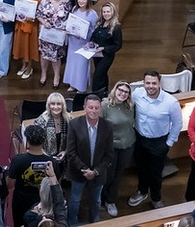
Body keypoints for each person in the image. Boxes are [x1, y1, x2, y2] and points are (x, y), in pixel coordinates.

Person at [129, 70, 183, 209]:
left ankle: (156, 197)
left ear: (160, 83)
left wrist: (168, 143)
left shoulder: (171, 102)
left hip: (159, 142)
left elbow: (177, 124)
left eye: (154, 83)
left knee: (156, 172)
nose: (150, 86)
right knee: (141, 168)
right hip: (140, 138)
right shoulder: (137, 94)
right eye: (147, 83)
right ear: (143, 83)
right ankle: (142, 191)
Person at [66, 94, 114, 225]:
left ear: (100, 109)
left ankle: (95, 221)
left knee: (96, 200)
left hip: (98, 173)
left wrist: (96, 172)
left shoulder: (108, 126)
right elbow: (71, 152)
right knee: (75, 200)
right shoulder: (74, 124)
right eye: (90, 107)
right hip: (78, 171)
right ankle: (72, 222)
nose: (93, 111)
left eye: (96, 108)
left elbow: (109, 154)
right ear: (84, 108)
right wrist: (85, 170)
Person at [7, 125, 57, 227]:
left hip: (21, 203)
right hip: (45, 205)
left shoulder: (18, 160)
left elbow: (9, 184)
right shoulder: (52, 162)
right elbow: (56, 186)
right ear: (44, 141)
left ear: (27, 141)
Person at [100, 81, 135, 218]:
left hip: (128, 145)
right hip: (111, 148)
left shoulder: (130, 106)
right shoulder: (105, 105)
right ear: (115, 90)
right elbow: (100, 128)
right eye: (120, 90)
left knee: (118, 175)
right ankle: (102, 198)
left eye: (126, 92)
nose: (123, 93)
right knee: (108, 175)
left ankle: (111, 200)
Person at [36, 0, 71, 89]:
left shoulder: (66, 1)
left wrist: (65, 27)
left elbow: (70, 17)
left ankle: (56, 76)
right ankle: (44, 74)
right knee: (44, 55)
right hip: (46, 33)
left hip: (59, 35)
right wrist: (44, 22)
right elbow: (38, 14)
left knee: (57, 56)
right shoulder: (44, 0)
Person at [62, 0, 98, 93]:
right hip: (73, 42)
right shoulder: (74, 9)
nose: (81, 1)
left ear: (88, 0)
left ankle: (81, 87)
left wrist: (84, 34)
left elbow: (94, 30)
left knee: (81, 65)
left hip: (83, 44)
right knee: (72, 63)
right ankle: (72, 84)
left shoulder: (92, 14)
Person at [90, 2, 123, 93]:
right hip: (97, 55)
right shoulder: (100, 23)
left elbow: (118, 45)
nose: (106, 14)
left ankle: (95, 95)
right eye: (104, 12)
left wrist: (104, 48)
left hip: (107, 56)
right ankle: (104, 93)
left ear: (113, 12)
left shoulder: (115, 28)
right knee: (102, 74)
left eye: (108, 11)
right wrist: (91, 42)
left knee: (97, 75)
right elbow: (94, 36)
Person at [12, 0, 41, 80]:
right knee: (21, 47)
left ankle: (30, 67)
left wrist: (32, 18)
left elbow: (40, 16)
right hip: (20, 26)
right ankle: (23, 65)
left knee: (29, 48)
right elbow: (14, 11)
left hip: (31, 28)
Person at [33, 93, 70, 169]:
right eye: (53, 104)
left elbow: (73, 139)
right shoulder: (41, 121)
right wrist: (46, 156)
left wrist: (66, 151)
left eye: (59, 104)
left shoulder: (69, 119)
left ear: (63, 106)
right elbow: (36, 143)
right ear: (48, 105)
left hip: (64, 159)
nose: (56, 107)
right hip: (46, 159)